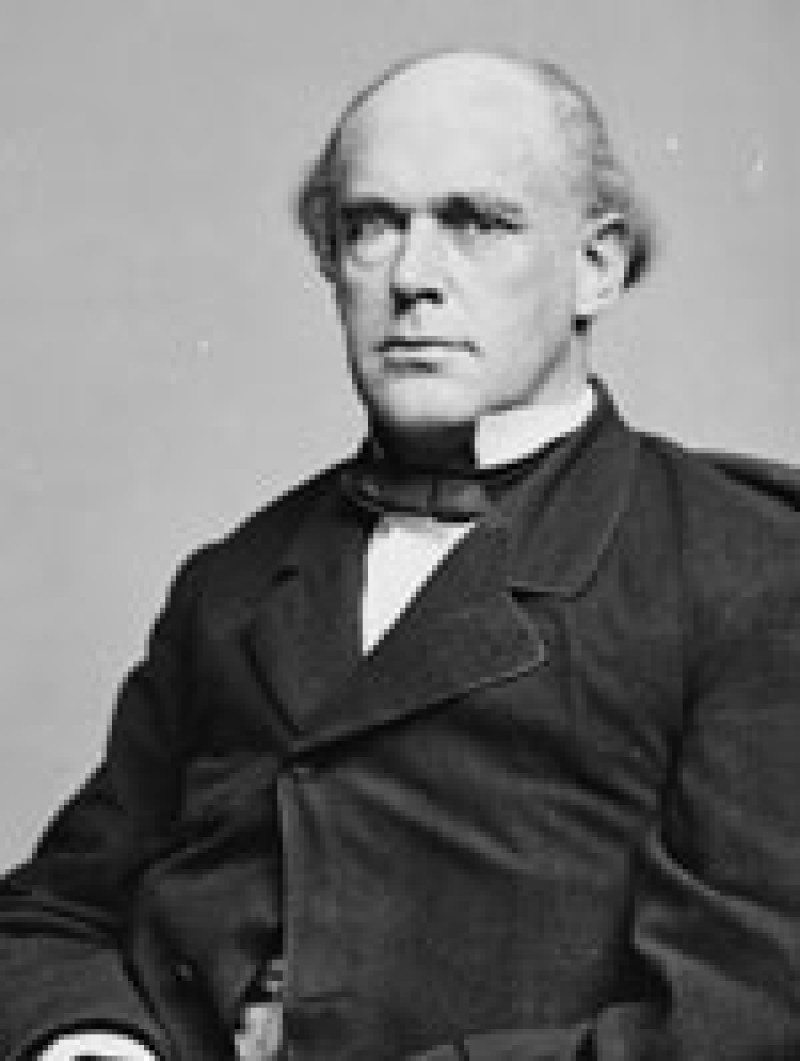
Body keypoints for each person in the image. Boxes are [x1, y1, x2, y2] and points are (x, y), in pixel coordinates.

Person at [1, 47, 799, 1061]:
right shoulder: (234, 579)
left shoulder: (751, 567)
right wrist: (90, 1044)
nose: (414, 278)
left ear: (595, 265)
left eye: (478, 223)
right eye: (370, 226)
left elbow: (740, 1016)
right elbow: (53, 912)